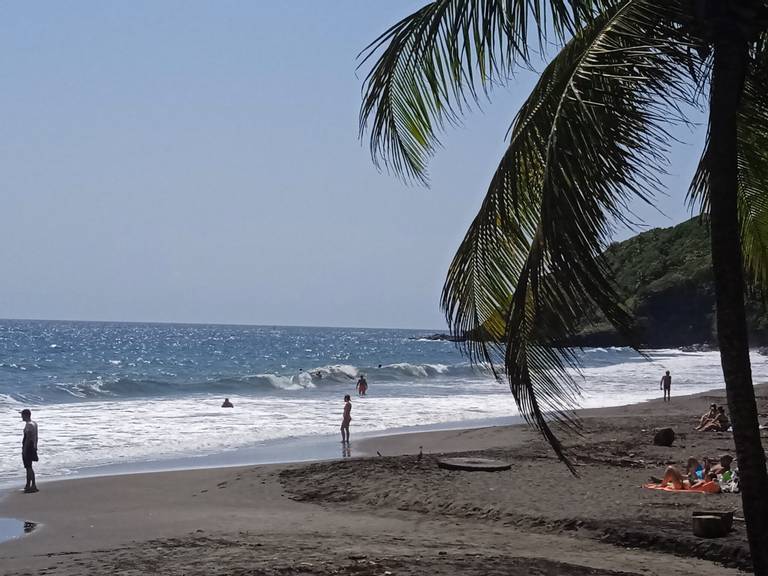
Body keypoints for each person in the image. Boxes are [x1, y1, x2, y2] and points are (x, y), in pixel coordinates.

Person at [20, 409, 38, 494]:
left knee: (28, 467)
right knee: (29, 467)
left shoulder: (29, 425)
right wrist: (35, 446)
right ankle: (28, 485)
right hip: (32, 447)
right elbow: (36, 437)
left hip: (28, 447)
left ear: (26, 415)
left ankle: (33, 485)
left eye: (22, 415)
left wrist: (24, 449)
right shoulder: (34, 423)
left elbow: (27, 438)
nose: (21, 416)